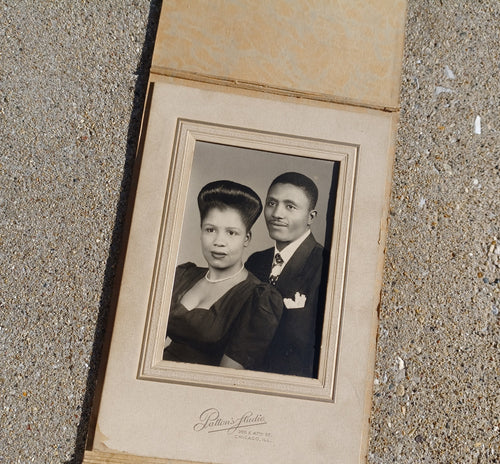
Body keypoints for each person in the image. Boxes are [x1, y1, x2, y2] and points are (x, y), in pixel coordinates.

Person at [163, 180, 282, 370]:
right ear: (201, 232)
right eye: (210, 230)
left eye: (231, 233)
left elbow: (227, 378)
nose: (219, 242)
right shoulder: (182, 275)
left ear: (247, 238)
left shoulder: (258, 298)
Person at [245, 172, 328, 378]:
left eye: (290, 206)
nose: (277, 213)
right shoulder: (256, 261)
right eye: (271, 203)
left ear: (311, 217)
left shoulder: (325, 264)